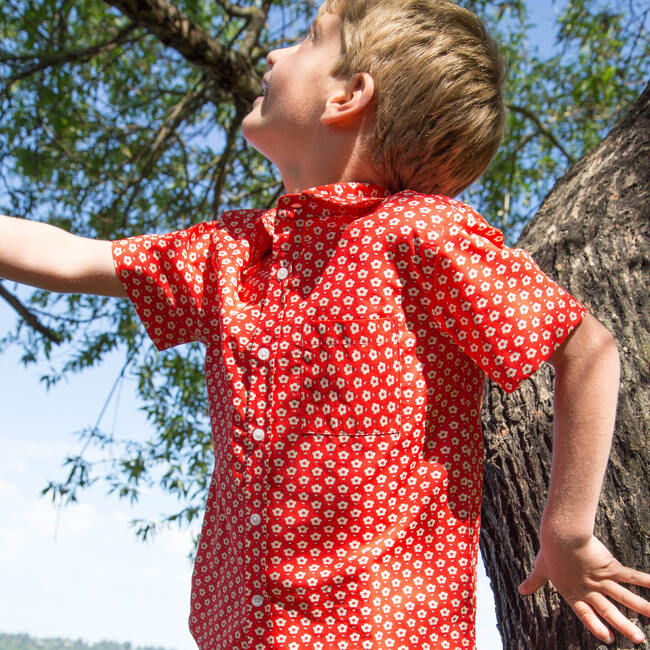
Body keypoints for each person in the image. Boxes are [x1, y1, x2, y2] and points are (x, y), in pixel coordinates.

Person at [0, 0, 648, 648]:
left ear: (349, 96)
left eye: (308, 37)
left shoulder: (420, 233)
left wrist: (566, 530)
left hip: (378, 629)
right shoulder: (234, 252)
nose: (274, 53)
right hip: (239, 629)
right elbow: (69, 255)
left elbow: (585, 350)